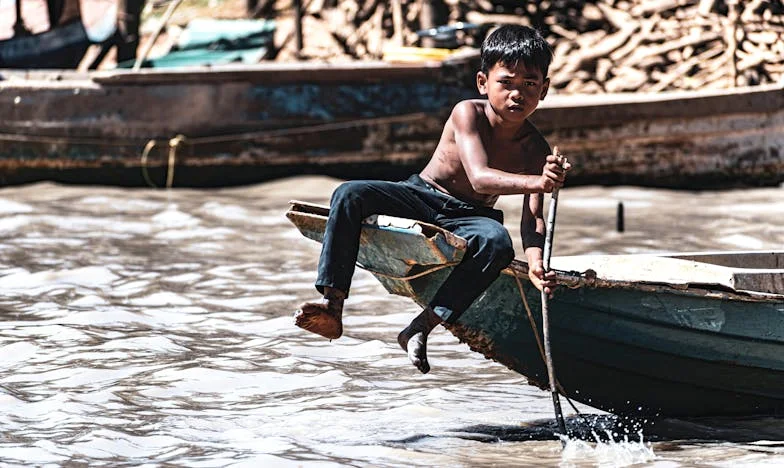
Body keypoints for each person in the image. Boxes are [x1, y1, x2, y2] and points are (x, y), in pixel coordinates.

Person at [295, 24, 571, 374]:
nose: (517, 94)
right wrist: (540, 181)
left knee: (497, 243)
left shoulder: (535, 148)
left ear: (544, 90)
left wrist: (535, 263)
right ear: (483, 83)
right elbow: (479, 176)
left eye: (529, 84)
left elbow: (533, 219)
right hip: (422, 195)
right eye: (506, 82)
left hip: (469, 215)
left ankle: (421, 326)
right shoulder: (467, 113)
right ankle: (332, 305)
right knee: (349, 193)